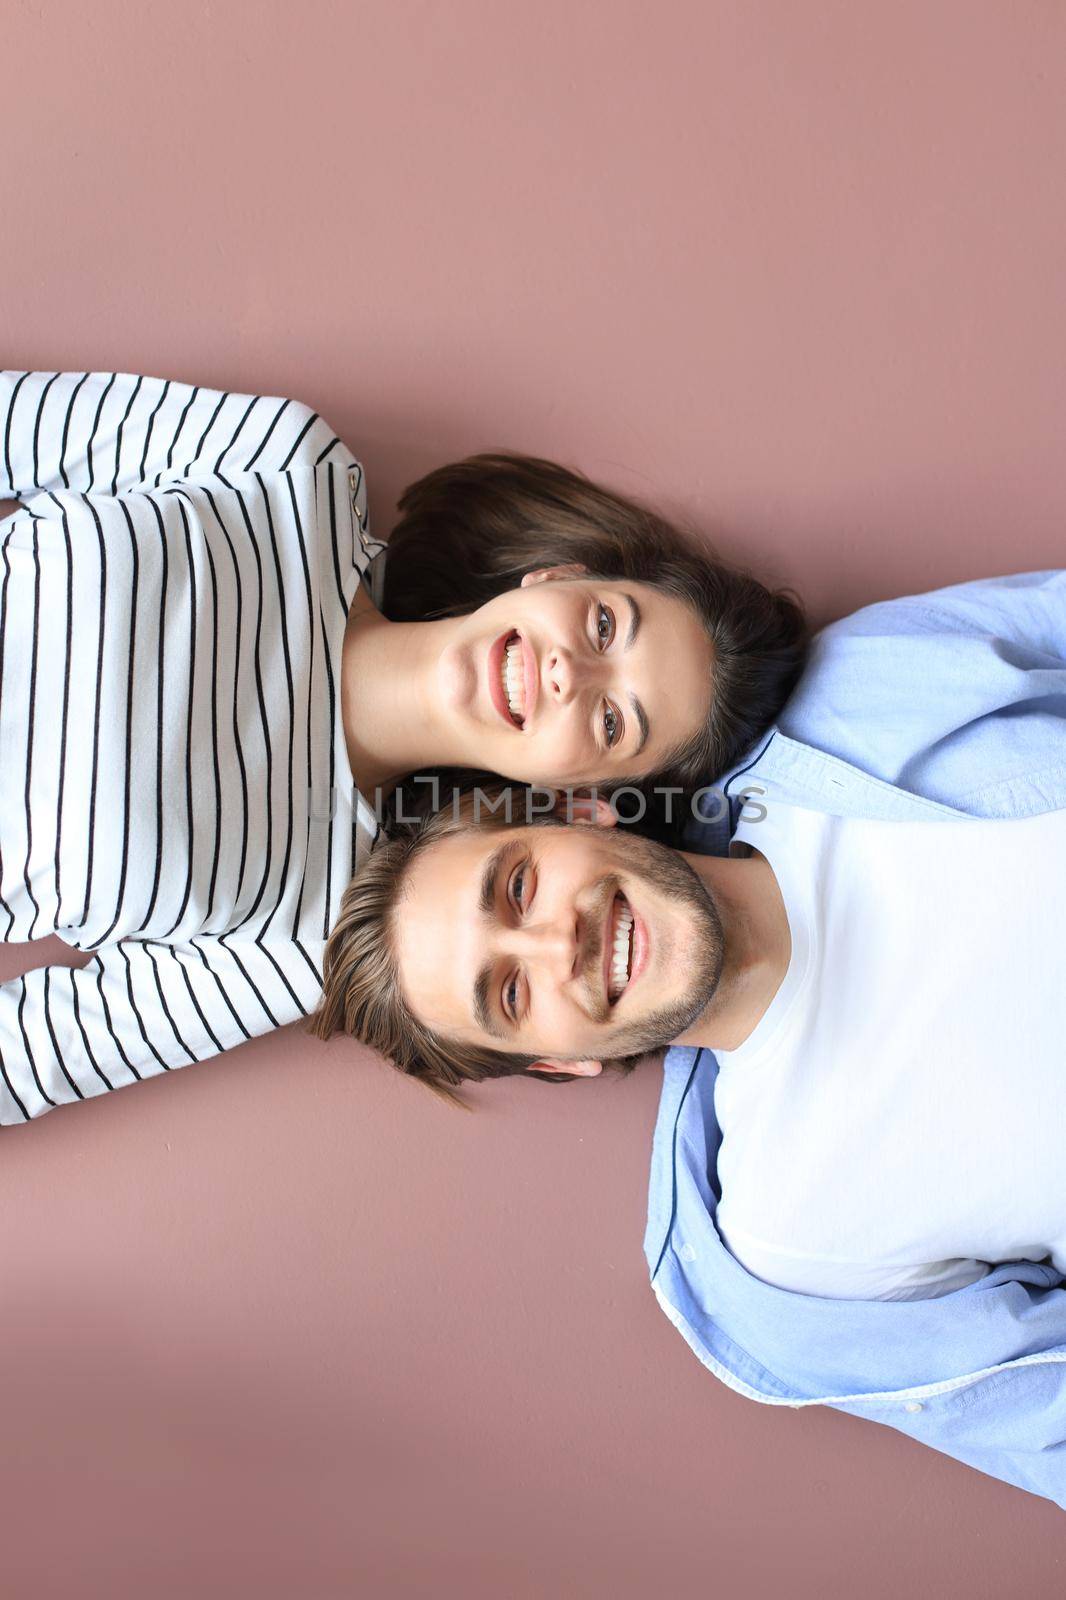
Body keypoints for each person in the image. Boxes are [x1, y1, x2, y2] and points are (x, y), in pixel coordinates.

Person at [315, 567, 1066, 1509]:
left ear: (577, 809)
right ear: (562, 1062)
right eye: (510, 992)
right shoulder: (789, 1255)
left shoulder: (868, 687)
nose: (559, 942)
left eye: (517, 888)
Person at [0, 367, 804, 1122]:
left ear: (579, 797)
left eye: (611, 722)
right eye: (605, 625)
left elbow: (32, 1057)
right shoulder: (287, 466)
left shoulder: (313, 930)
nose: (569, 672)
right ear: (557, 577)